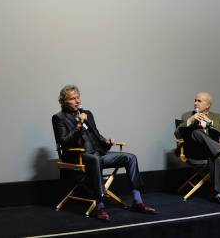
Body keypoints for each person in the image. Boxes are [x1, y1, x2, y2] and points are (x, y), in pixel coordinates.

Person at [52, 84, 156, 221]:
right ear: (64, 101)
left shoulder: (87, 113)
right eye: (73, 99)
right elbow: (64, 142)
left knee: (130, 157)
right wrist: (78, 125)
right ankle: (100, 206)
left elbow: (96, 135)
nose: (78, 101)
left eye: (78, 97)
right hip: (79, 156)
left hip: (98, 153)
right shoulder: (58, 118)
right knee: (94, 160)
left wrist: (106, 142)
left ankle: (138, 201)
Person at [175, 92, 220, 205]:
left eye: (199, 101)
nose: (195, 103)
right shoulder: (187, 115)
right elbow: (177, 134)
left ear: (208, 105)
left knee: (217, 157)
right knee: (196, 132)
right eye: (195, 100)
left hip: (211, 151)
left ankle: (217, 194)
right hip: (194, 151)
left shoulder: (216, 116)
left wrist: (210, 122)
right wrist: (190, 121)